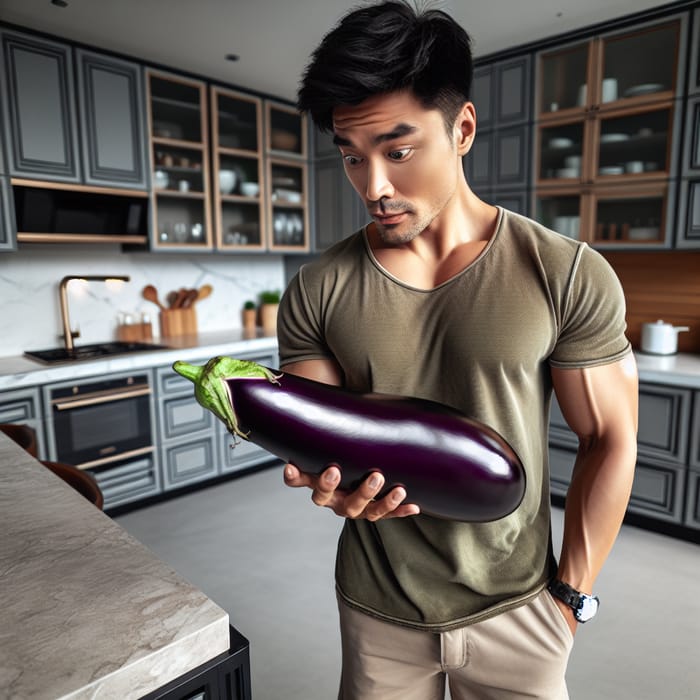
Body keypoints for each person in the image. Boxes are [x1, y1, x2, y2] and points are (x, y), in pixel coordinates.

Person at [277, 2, 639, 698]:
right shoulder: (317, 287)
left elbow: (610, 437)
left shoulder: (564, 271)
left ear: (463, 128)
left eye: (398, 150)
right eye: (352, 156)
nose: (373, 185)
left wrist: (570, 598)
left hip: (522, 605)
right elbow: (318, 428)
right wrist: (329, 481)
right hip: (376, 609)